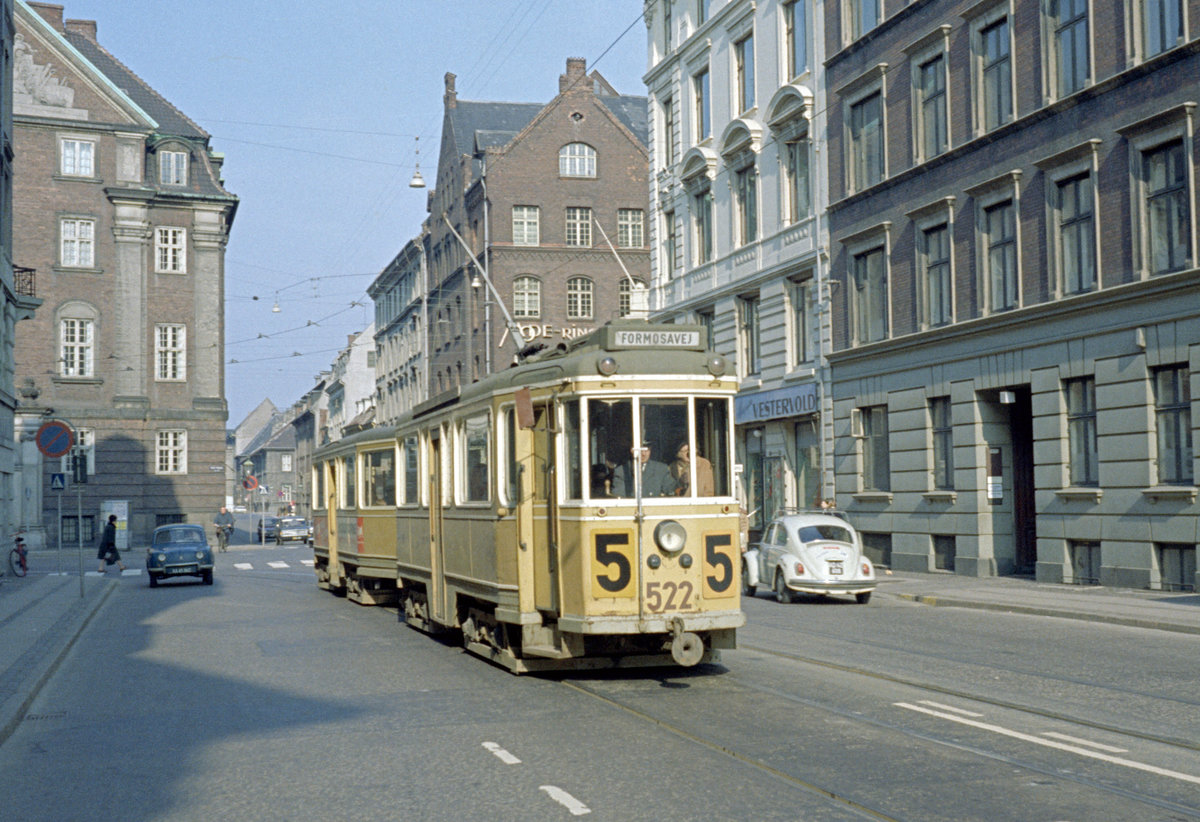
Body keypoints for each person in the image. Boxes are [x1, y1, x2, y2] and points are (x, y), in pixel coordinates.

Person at [612, 444, 678, 497]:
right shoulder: (622, 471)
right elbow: (619, 497)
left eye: (646, 450)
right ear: (632, 451)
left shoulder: (660, 469)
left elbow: (672, 489)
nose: (643, 454)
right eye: (640, 450)